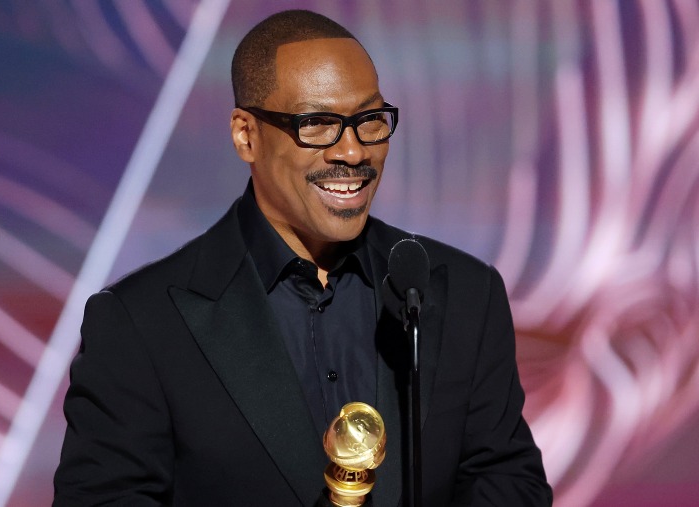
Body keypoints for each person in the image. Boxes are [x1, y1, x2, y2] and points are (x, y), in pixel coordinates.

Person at [53, 9, 552, 507]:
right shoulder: (142, 323)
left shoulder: (462, 292)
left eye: (369, 120)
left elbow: (509, 480)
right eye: (318, 125)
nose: (354, 152)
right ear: (246, 135)